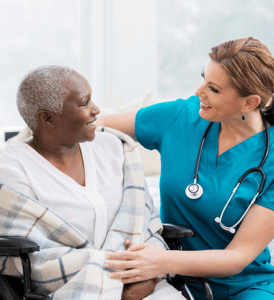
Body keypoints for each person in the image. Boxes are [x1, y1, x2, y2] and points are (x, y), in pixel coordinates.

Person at [98, 37, 274, 299]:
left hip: (243, 287)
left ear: (249, 103)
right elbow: (95, 126)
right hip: (171, 282)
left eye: (213, 89)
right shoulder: (181, 116)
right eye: (203, 78)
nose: (198, 92)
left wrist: (162, 261)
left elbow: (238, 257)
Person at [0, 66, 186, 300]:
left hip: (145, 283)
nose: (96, 109)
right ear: (47, 118)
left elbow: (145, 224)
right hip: (72, 290)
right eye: (84, 103)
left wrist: (146, 278)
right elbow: (35, 258)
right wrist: (119, 287)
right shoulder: (12, 167)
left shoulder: (113, 146)